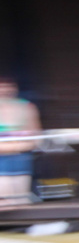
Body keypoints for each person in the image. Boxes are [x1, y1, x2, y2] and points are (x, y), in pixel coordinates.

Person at [0, 73, 41, 206]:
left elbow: (36, 138)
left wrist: (14, 147)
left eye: (8, 87)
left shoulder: (27, 107)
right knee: (5, 201)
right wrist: (17, 146)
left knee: (21, 200)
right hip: (3, 162)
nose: (5, 90)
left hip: (21, 160)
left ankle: (24, 225)